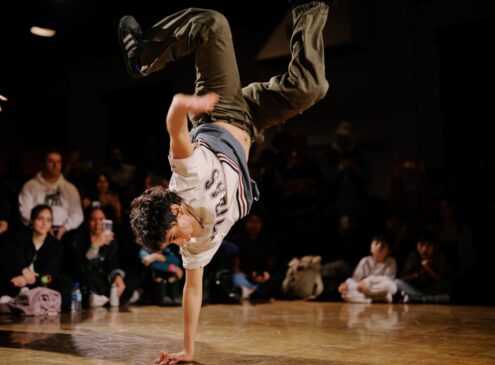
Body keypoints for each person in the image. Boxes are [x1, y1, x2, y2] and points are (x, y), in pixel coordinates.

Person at [121, 1, 330, 363]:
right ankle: (311, 7)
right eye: (175, 244)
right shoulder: (196, 244)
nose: (182, 243)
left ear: (176, 208)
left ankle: (143, 55)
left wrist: (192, 103)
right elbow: (193, 291)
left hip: (223, 110)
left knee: (213, 25)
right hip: (254, 120)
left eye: (175, 235)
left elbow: (174, 115)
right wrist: (188, 349)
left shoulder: (187, 179)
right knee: (312, 87)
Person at [0, 205, 64, 301]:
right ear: (32, 220)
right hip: (15, 280)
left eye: (48, 220)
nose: (44, 224)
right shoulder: (20, 237)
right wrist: (23, 270)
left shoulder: (55, 246)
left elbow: (50, 275)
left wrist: (32, 280)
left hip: (39, 285)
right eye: (40, 219)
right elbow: (11, 258)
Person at [18, 150, 84, 240]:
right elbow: (25, 212)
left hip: (64, 232)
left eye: (58, 162)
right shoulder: (30, 186)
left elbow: (78, 214)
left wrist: (65, 228)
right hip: (36, 230)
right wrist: (43, 227)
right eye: (51, 161)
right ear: (43, 164)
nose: (55, 165)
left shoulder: (69, 188)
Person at [338, 235, 398, 303]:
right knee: (346, 292)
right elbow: (355, 279)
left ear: (389, 250)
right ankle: (374, 299)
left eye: (383, 245)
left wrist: (367, 281)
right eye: (376, 243)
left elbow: (388, 279)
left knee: (392, 286)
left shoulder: (391, 261)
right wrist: (347, 285)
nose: (379, 246)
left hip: (378, 288)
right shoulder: (365, 260)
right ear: (371, 247)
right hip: (365, 290)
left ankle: (366, 299)